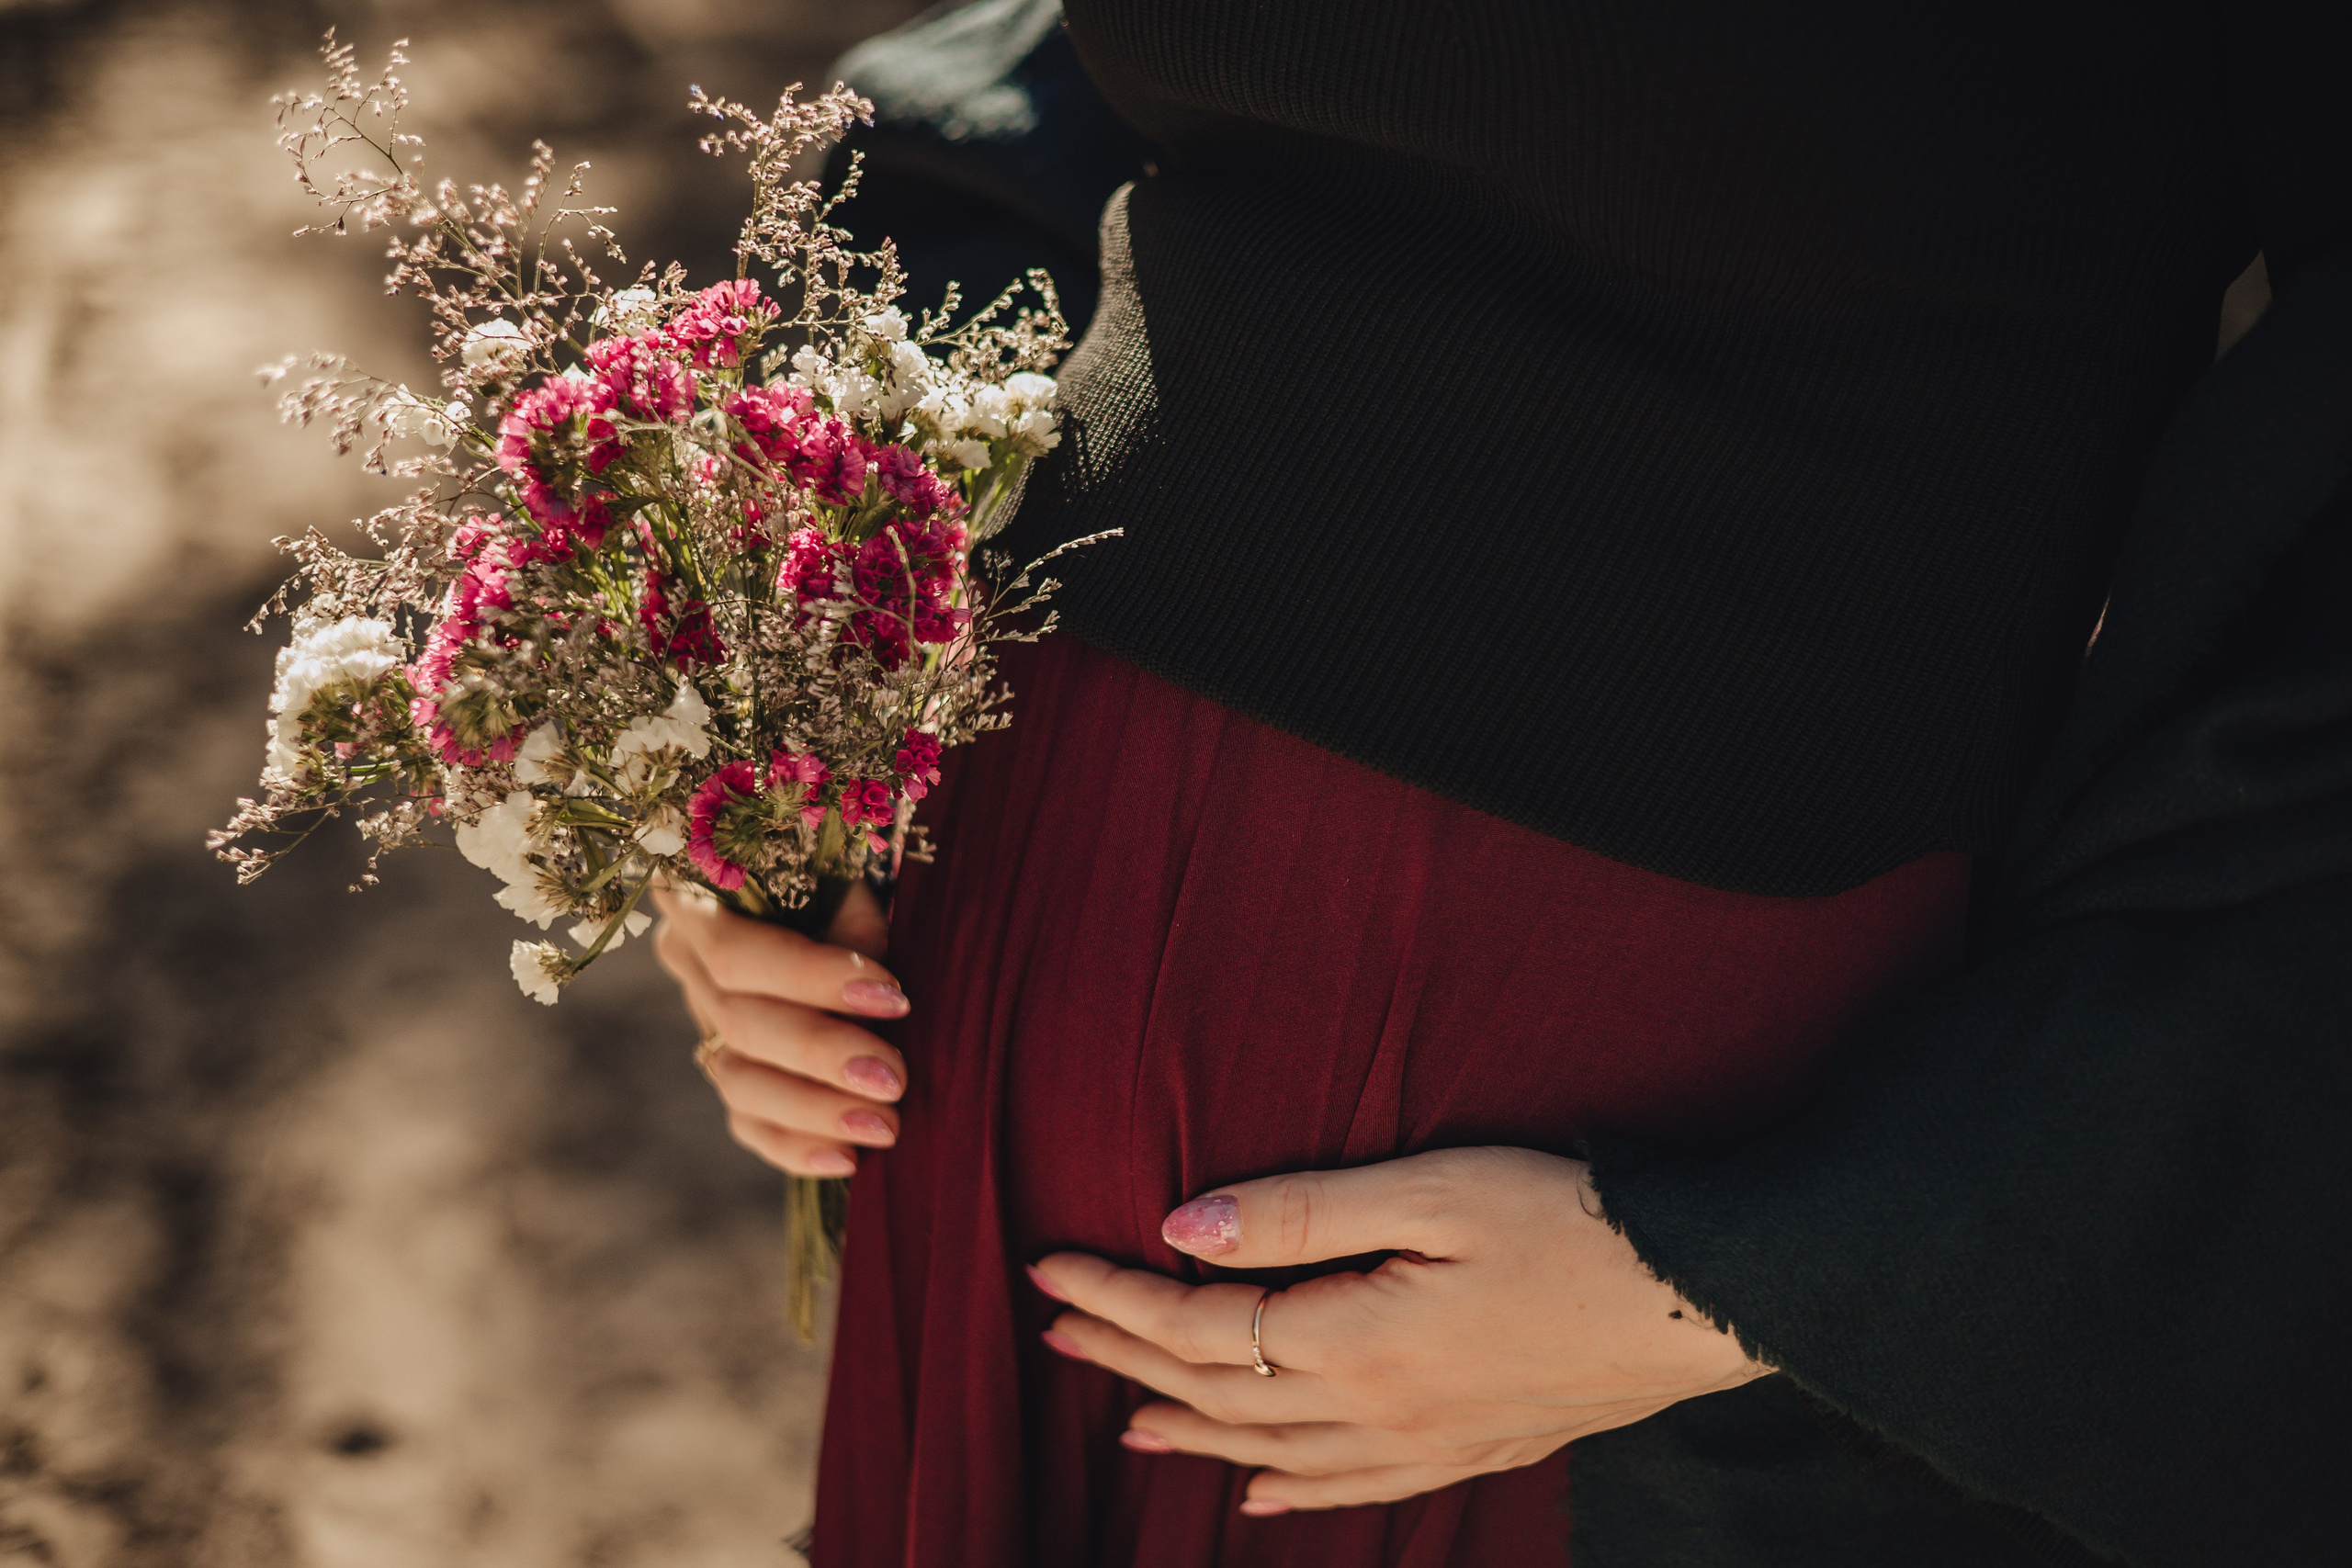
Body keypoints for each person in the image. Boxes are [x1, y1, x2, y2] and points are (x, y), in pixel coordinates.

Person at [655, 2, 2352, 1563]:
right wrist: (799, 744)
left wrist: (1799, 1278)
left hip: (1674, 1204)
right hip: (1022, 977)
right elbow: (1019, 99)